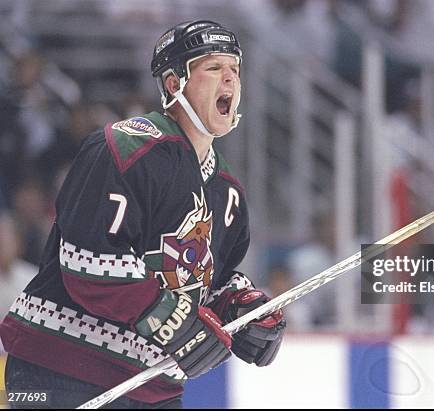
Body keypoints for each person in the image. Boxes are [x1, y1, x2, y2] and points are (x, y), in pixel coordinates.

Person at [0, 20, 285, 409]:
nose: (230, 80)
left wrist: (242, 308)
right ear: (174, 84)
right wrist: (174, 321)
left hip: (152, 387)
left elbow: (205, 282)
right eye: (214, 68)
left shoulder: (227, 191)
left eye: (235, 69)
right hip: (60, 369)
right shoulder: (125, 148)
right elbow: (89, 262)